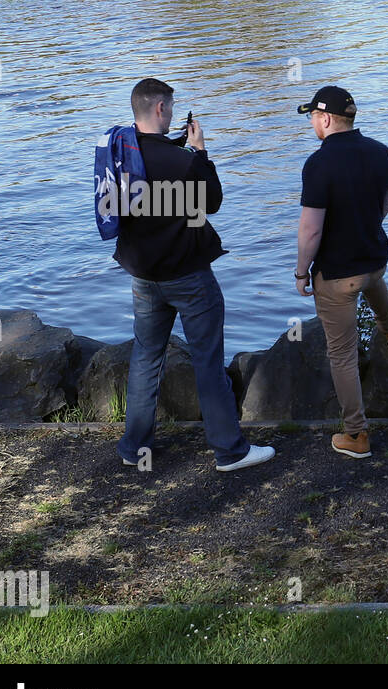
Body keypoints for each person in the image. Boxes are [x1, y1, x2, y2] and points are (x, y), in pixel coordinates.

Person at [113, 78, 273, 472]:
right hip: (189, 277)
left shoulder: (119, 155)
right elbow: (212, 202)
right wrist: (200, 151)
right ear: (160, 109)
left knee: (146, 358)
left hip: (143, 277)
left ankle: (134, 447)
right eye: (170, 105)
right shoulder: (184, 161)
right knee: (207, 360)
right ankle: (230, 451)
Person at [294, 85, 388, 460]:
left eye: (312, 116)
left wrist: (300, 272)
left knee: (341, 355)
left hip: (336, 275)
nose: (312, 123)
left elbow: (311, 230)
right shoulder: (381, 152)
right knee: (375, 286)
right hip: (374, 260)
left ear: (325, 119)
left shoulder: (318, 164)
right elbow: (384, 207)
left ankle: (356, 435)